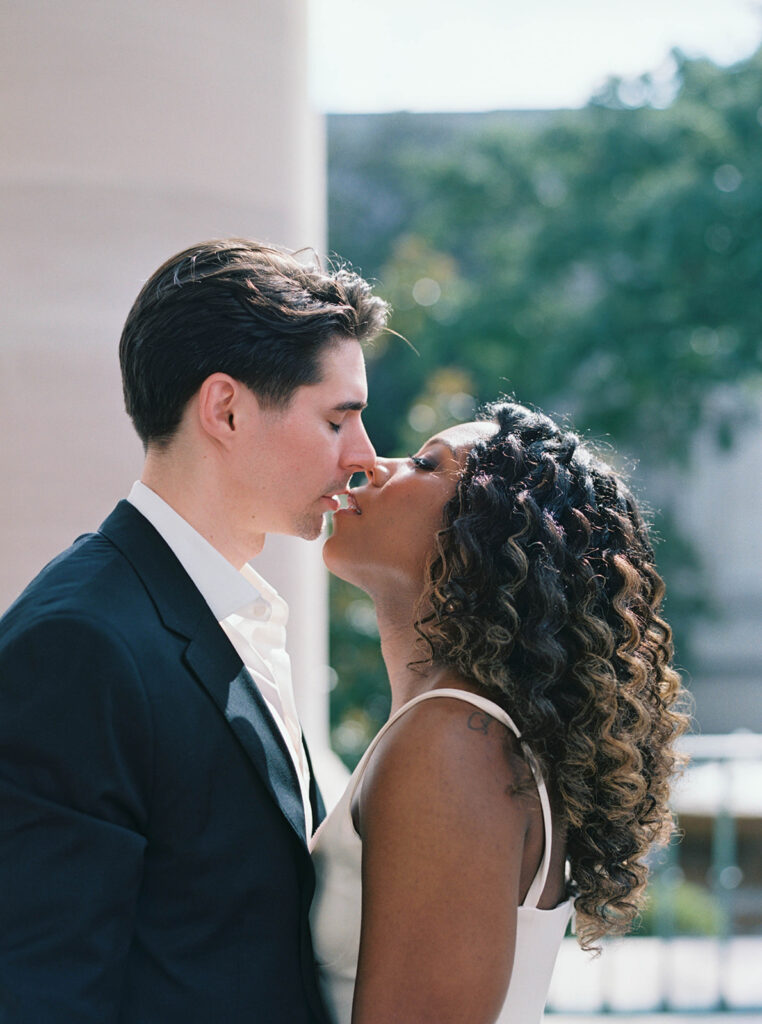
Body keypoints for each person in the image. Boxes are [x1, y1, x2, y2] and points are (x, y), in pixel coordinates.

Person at [0, 239, 389, 1023]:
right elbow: (44, 990)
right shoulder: (79, 645)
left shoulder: (231, 612)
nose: (364, 457)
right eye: (337, 419)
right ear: (226, 410)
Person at [311, 400, 688, 1024]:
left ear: (484, 539)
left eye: (425, 464)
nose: (375, 464)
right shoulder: (460, 730)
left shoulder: (455, 739)